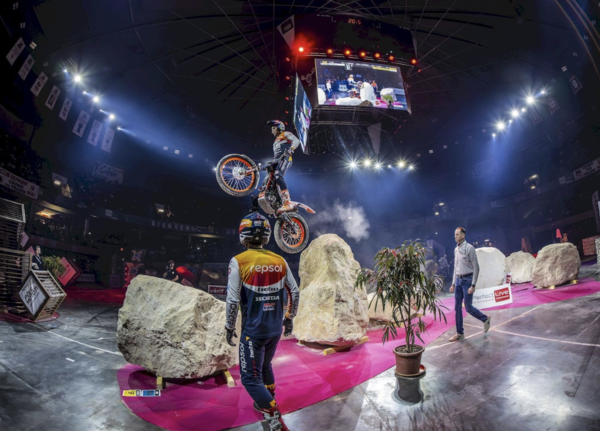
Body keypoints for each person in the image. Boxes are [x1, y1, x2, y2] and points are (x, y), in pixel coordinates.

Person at [225, 212, 299, 431]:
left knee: (250, 379)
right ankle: (266, 400)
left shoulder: (239, 261)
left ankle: (275, 419)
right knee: (265, 366)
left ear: (243, 235)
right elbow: (294, 291)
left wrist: (229, 326)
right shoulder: (279, 260)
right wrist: (289, 318)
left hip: (253, 331)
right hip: (275, 329)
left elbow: (232, 299)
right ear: (266, 234)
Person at [449, 227, 491, 341]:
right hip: (458, 281)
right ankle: (460, 333)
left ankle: (485, 318)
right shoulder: (456, 249)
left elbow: (476, 267)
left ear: (463, 235)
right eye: (455, 234)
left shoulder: (470, 248)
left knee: (468, 307)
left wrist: (473, 285)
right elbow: (455, 268)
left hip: (467, 280)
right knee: (457, 308)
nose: (455, 236)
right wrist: (453, 284)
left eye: (457, 234)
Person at [264, 120, 301, 213]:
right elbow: (276, 154)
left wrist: (291, 149)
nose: (272, 130)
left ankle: (287, 201)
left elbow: (297, 140)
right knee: (270, 179)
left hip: (286, 158)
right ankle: (277, 200)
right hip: (277, 160)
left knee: (278, 175)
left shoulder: (285, 134)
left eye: (274, 128)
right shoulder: (275, 141)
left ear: (279, 127)